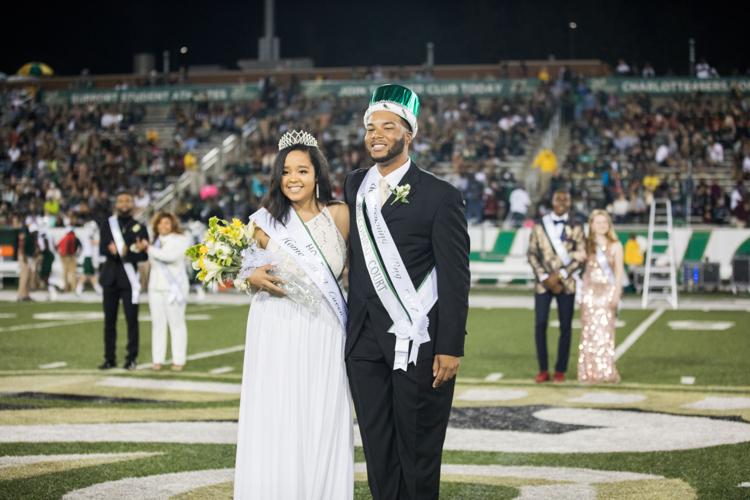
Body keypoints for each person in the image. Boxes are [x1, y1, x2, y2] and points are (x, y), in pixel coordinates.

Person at [344, 84, 471, 499]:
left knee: (417, 451)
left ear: (409, 133)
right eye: (370, 127)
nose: (376, 134)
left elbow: (455, 278)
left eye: (387, 126)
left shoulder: (442, 196)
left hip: (418, 341)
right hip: (363, 342)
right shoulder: (353, 186)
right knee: (378, 451)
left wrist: (450, 346)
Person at [234, 130, 353, 499]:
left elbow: (355, 274)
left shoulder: (340, 215)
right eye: (286, 172)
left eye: (302, 170)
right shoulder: (263, 221)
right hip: (275, 324)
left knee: (319, 413)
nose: (293, 179)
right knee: (277, 410)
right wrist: (248, 277)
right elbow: (239, 271)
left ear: (317, 174)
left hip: (324, 326)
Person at [527, 189, 586, 383]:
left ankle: (560, 369)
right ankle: (543, 369)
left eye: (565, 198)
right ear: (552, 201)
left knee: (565, 327)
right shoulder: (539, 225)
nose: (561, 201)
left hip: (566, 284)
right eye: (558, 198)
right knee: (540, 324)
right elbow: (532, 254)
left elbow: (581, 256)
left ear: (570, 202)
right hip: (543, 284)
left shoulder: (577, 226)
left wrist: (559, 276)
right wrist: (545, 277)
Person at [97, 190, 149, 370]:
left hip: (129, 280)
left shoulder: (139, 226)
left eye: (128, 200)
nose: (124, 204)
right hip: (109, 278)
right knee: (109, 322)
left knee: (131, 321)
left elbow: (143, 254)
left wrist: (130, 253)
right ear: (116, 204)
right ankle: (109, 358)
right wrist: (110, 250)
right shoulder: (107, 225)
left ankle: (131, 358)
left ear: (133, 204)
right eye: (121, 201)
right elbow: (102, 250)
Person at [578, 210, 624, 383]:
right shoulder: (586, 244)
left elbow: (619, 272)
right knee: (588, 332)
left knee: (605, 332)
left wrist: (616, 293)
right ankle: (588, 371)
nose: (601, 226)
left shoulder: (616, 245)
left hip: (607, 291)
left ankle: (605, 370)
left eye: (604, 222)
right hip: (589, 292)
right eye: (597, 223)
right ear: (591, 225)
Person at [146, 212, 191, 371]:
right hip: (155, 287)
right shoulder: (155, 241)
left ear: (173, 225)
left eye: (167, 223)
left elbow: (170, 257)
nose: (163, 226)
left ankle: (179, 360)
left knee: (176, 323)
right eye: (160, 223)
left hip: (175, 288)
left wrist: (148, 248)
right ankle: (157, 359)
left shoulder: (181, 239)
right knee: (157, 324)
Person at [76, 220, 103, 296]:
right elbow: (94, 242)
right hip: (88, 256)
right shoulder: (89, 234)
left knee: (89, 274)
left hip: (89, 256)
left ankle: (96, 288)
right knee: (88, 274)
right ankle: (96, 288)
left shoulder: (88, 233)